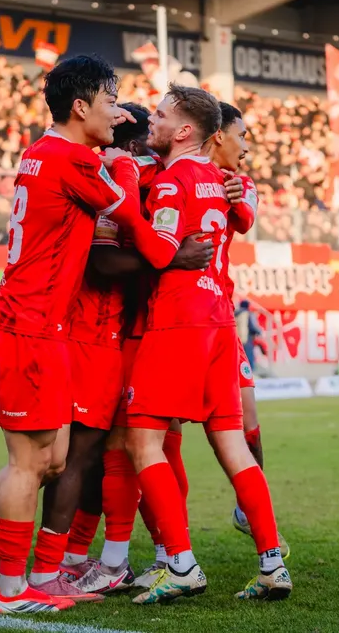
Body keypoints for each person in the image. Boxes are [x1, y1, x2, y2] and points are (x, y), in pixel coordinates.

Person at [0, 55, 178, 616]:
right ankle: (11, 591)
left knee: (55, 460)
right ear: (80, 107)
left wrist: (110, 151)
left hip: (44, 328)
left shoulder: (49, 152)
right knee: (30, 464)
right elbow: (129, 216)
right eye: (110, 102)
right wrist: (126, 165)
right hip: (27, 326)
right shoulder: (70, 159)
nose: (117, 113)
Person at [124, 85, 292, 604]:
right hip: (220, 323)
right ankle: (272, 564)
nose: (150, 121)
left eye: (159, 114)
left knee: (143, 442)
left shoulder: (172, 182)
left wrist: (124, 207)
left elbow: (161, 251)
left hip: (178, 322)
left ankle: (179, 564)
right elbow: (243, 215)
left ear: (184, 131)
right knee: (232, 444)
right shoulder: (223, 181)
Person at [60, 104, 212, 592]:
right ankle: (153, 556)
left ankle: (127, 560)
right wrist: (171, 260)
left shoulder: (156, 179)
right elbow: (104, 261)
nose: (151, 138)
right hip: (146, 326)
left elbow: (110, 259)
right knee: (131, 447)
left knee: (124, 447)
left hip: (145, 329)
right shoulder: (136, 178)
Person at [203, 102, 290, 559]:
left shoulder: (241, 183)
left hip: (217, 317)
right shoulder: (173, 172)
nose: (247, 147)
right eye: (242, 135)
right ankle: (161, 553)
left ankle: (248, 510)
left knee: (247, 417)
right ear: (217, 134)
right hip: (171, 320)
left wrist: (235, 196)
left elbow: (246, 218)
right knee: (153, 437)